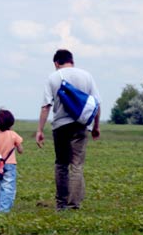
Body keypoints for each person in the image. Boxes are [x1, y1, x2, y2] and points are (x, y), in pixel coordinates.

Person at [36, 49, 101, 211]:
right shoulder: (87, 76)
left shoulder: (53, 77)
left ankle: (61, 204)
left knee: (61, 165)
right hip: (81, 125)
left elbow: (46, 106)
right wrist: (96, 127)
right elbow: (97, 104)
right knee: (77, 165)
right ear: (72, 61)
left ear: (56, 63)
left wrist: (40, 130)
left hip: (60, 126)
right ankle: (74, 205)